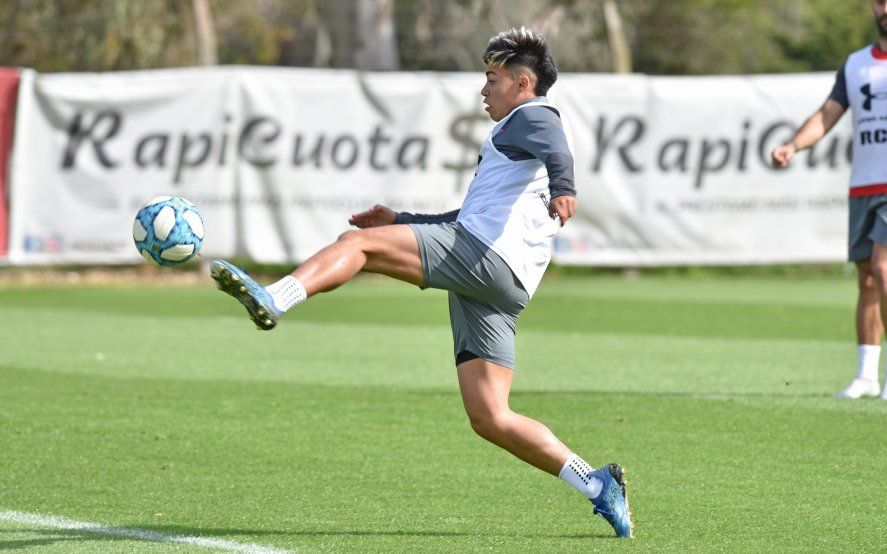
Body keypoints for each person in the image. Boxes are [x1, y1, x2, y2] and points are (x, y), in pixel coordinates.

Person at [211, 27, 633, 537]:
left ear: (523, 83)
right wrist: (401, 217)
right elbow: (470, 213)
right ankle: (596, 484)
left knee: (356, 247)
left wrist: (566, 189)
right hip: (507, 283)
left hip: (485, 257)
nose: (483, 90)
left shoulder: (532, 115)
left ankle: (274, 297)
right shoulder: (515, 132)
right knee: (490, 416)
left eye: (492, 79)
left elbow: (557, 150)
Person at [772, 1, 887, 400]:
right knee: (868, 278)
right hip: (865, 185)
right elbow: (827, 115)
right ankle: (867, 376)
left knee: (884, 267)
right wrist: (793, 145)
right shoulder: (856, 64)